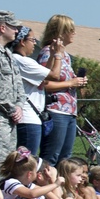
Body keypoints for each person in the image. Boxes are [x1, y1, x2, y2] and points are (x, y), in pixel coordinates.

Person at [36, 15, 87, 167]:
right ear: (61, 32)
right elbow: (43, 83)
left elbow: (65, 81)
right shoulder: (48, 52)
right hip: (56, 110)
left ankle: (61, 189)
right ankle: (45, 188)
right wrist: (70, 82)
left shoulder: (66, 57)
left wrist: (77, 82)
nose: (74, 33)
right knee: (52, 155)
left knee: (65, 158)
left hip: (70, 110)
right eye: (71, 30)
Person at [0, 11, 28, 173]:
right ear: (2, 28)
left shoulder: (7, 54)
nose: (17, 31)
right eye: (14, 27)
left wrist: (19, 105)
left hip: (9, 120)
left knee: (8, 166)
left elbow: (18, 85)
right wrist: (12, 109)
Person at [10, 26, 62, 156]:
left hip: (29, 118)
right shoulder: (23, 61)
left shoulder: (16, 60)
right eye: (32, 40)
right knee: (27, 161)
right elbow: (55, 75)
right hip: (28, 119)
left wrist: (50, 56)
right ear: (22, 41)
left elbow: (43, 77)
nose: (34, 43)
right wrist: (58, 54)